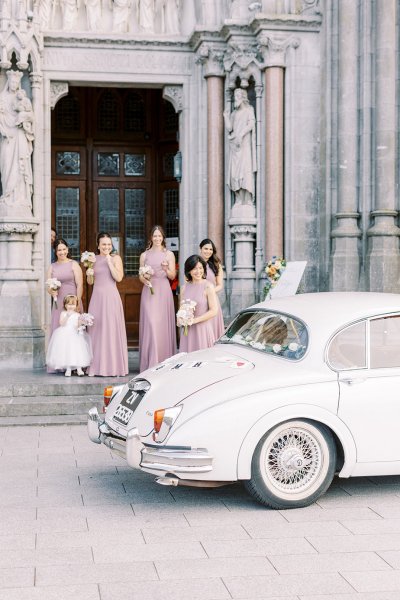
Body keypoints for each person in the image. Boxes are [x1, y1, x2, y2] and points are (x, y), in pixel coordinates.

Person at [87, 232, 128, 376]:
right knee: (97, 330)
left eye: (109, 244)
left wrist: (110, 262)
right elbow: (90, 282)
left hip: (111, 296)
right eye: (103, 244)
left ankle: (113, 366)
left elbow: (119, 277)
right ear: (98, 245)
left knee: (111, 329)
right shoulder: (93, 259)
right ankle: (96, 367)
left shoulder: (116, 258)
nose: (106, 247)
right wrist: (89, 273)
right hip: (97, 297)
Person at [139, 225, 177, 372]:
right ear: (151, 238)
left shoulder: (169, 254)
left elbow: (173, 276)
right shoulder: (144, 255)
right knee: (151, 323)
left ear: (163, 238)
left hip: (163, 290)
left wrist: (166, 268)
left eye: (159, 236)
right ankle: (151, 361)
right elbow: (140, 275)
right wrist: (145, 279)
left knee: (161, 325)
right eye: (154, 236)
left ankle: (163, 361)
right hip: (149, 291)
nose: (157, 238)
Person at [0, 70, 34, 216]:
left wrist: (24, 117)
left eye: (16, 82)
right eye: (12, 82)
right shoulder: (2, 98)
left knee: (21, 168)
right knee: (7, 167)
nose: (14, 85)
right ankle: (8, 197)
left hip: (20, 136)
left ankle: (21, 200)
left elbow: (31, 116)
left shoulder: (23, 100)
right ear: (8, 82)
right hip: (7, 138)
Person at [223, 87, 257, 206]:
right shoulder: (234, 113)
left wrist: (241, 135)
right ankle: (238, 198)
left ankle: (247, 198)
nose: (235, 98)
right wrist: (226, 116)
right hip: (235, 147)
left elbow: (251, 124)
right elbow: (229, 128)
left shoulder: (249, 110)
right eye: (234, 96)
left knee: (245, 170)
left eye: (237, 96)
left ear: (243, 97)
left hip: (244, 146)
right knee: (234, 173)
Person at [179, 255, 218, 353]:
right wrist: (180, 320)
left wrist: (194, 320)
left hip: (203, 331)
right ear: (189, 270)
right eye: (195, 268)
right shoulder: (184, 288)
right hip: (187, 332)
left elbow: (214, 311)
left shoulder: (208, 286)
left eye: (200, 268)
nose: (198, 271)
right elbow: (181, 309)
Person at [46, 295, 92, 376]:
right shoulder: (63, 313)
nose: (71, 306)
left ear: (76, 305)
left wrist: (82, 324)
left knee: (77, 351)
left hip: (75, 334)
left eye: (73, 304)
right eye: (69, 304)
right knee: (67, 351)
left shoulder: (77, 314)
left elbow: (78, 325)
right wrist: (67, 316)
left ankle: (79, 369)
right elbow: (61, 323)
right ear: (65, 305)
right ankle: (68, 369)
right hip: (65, 333)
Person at [47, 238, 83, 341]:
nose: (62, 252)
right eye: (59, 250)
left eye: (64, 249)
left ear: (67, 250)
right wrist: (51, 291)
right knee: (59, 326)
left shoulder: (74, 264)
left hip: (72, 301)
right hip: (58, 302)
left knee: (73, 327)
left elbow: (80, 285)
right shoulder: (52, 267)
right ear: (55, 251)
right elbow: (48, 287)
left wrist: (78, 302)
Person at [199, 238, 225, 339]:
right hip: (198, 300)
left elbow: (220, 285)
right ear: (200, 249)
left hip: (212, 300)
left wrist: (209, 292)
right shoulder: (194, 263)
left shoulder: (216, 265)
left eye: (211, 249)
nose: (208, 251)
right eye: (206, 249)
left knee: (212, 328)